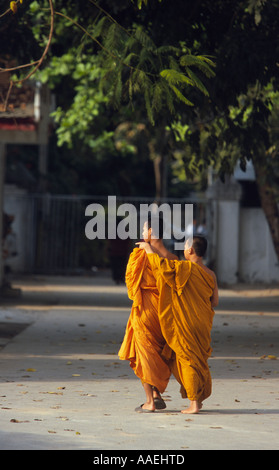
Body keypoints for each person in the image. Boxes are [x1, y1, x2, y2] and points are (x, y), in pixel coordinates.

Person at [136, 235, 218, 414]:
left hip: (186, 324)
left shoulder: (183, 268)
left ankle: (194, 404)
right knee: (198, 360)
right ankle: (198, 398)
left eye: (185, 248)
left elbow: (162, 268)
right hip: (203, 323)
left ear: (190, 251)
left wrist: (149, 250)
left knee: (188, 360)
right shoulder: (211, 274)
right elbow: (215, 301)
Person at [118, 215, 178, 413]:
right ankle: (155, 394)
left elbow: (130, 283)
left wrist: (147, 250)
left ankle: (149, 402)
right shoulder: (173, 258)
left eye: (144, 230)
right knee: (157, 354)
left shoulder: (141, 254)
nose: (143, 234)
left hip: (146, 310)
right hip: (166, 313)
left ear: (152, 232)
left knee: (144, 355)